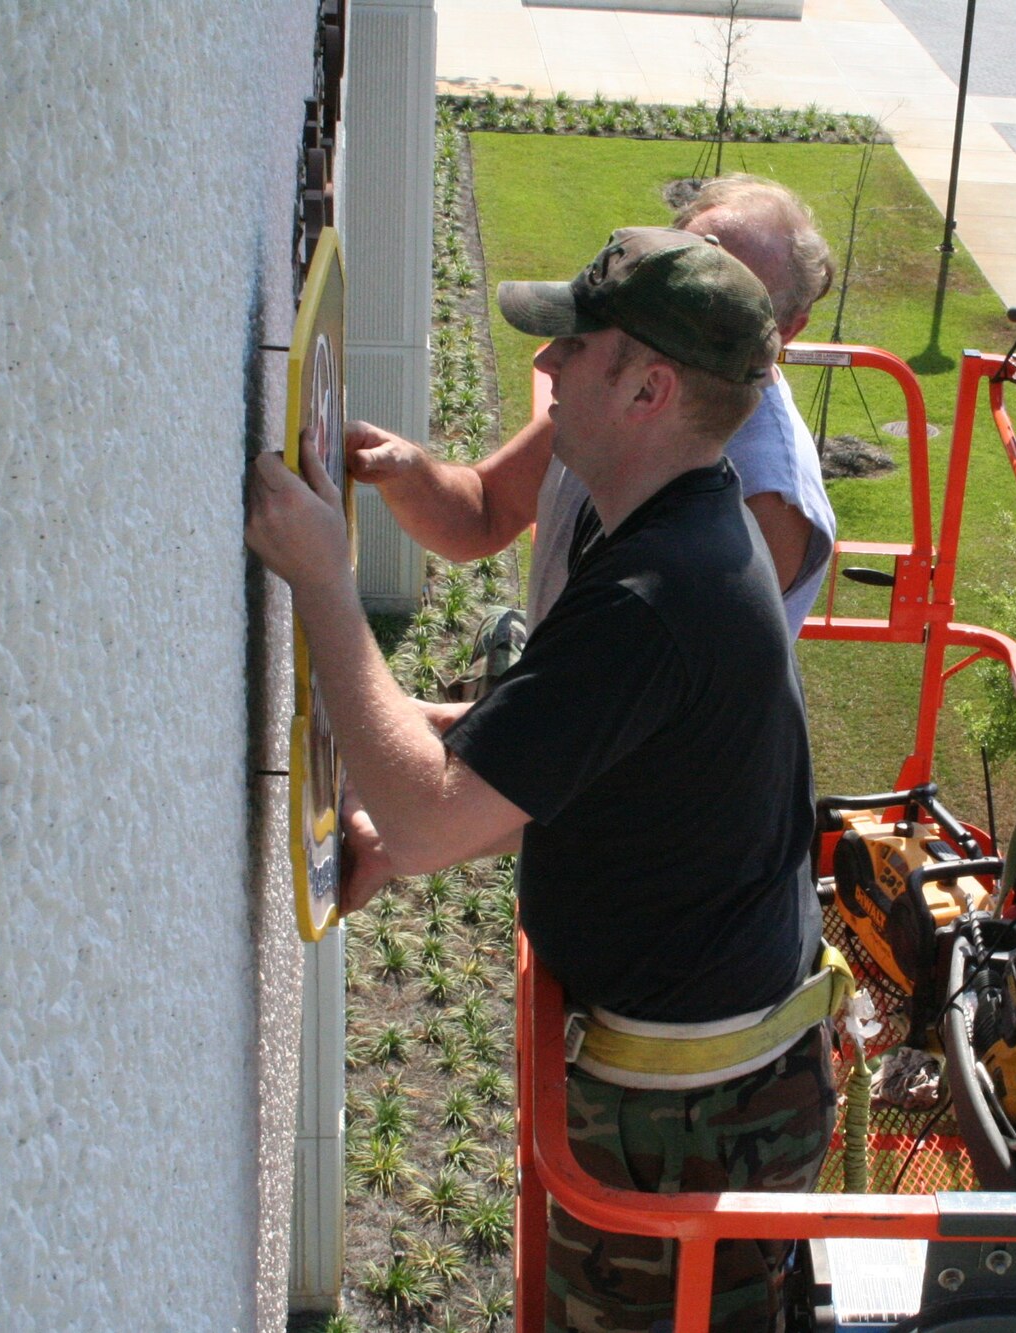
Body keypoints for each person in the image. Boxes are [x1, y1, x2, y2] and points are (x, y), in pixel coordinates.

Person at [245, 227, 834, 1333]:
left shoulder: (657, 592)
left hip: (689, 1121)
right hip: (708, 1082)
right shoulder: (680, 526)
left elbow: (426, 823)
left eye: (575, 345)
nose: (549, 367)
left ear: (648, 387)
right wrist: (416, 738)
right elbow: (588, 747)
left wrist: (324, 577)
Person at [346, 175, 837, 637]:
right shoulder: (610, 398)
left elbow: (633, 707)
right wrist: (407, 473)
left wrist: (324, 585)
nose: (684, 294)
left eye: (729, 292)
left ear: (787, 330)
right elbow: (486, 512)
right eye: (684, 263)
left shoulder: (769, 498)